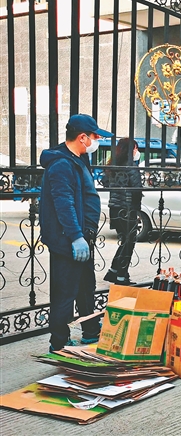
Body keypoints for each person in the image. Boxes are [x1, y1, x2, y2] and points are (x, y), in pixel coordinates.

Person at [40, 114, 113, 351]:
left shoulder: (78, 158)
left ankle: (90, 330)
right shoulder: (61, 164)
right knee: (65, 293)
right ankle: (59, 342)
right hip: (69, 241)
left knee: (85, 288)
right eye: (95, 137)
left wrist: (84, 235)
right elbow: (64, 203)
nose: (97, 141)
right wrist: (75, 236)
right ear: (82, 137)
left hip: (83, 237)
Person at [103, 138, 143, 286]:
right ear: (130, 150)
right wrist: (137, 210)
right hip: (127, 208)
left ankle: (114, 271)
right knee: (129, 242)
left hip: (114, 208)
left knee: (125, 241)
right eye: (135, 148)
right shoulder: (131, 167)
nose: (137, 152)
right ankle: (121, 277)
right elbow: (137, 190)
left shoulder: (113, 166)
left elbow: (105, 182)